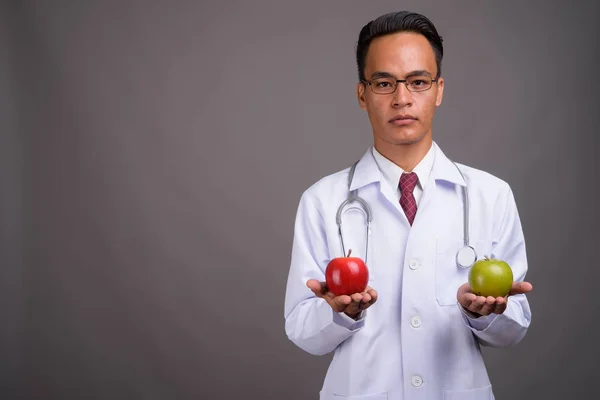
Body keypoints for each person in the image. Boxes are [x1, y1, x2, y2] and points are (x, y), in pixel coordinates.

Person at [283, 10, 533, 400]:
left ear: (439, 89)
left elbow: (514, 326)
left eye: (418, 81)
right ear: (362, 94)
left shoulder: (490, 194)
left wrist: (482, 314)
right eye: (384, 82)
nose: (402, 98)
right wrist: (337, 313)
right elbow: (302, 330)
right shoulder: (323, 200)